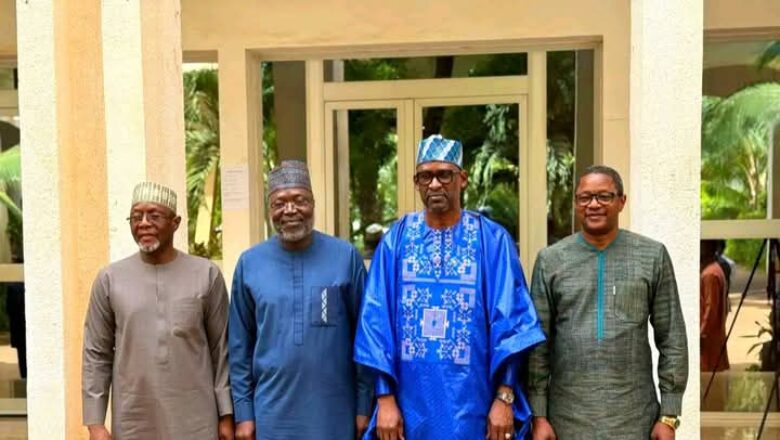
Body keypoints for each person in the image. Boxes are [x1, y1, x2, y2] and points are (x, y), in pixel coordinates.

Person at [354, 134, 545, 440]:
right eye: (425, 176)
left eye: (444, 174)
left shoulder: (492, 240)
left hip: (477, 407)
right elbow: (376, 324)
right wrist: (385, 398)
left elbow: (512, 325)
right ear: (416, 183)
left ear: (463, 179)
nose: (434, 184)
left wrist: (505, 396)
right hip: (408, 409)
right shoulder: (395, 241)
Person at [527, 165, 688, 440]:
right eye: (585, 197)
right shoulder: (551, 261)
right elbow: (537, 346)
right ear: (576, 203)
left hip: (636, 420)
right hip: (567, 420)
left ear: (621, 201)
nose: (593, 205)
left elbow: (672, 338)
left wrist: (669, 416)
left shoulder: (652, 256)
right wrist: (539, 415)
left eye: (604, 196)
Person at [229, 160, 372, 440]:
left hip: (334, 414)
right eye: (279, 203)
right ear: (270, 210)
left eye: (299, 200)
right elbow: (239, 347)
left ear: (313, 204)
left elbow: (365, 337)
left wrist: (364, 405)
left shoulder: (345, 258)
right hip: (271, 416)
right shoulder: (250, 263)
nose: (290, 210)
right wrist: (244, 413)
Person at [82, 182, 233, 440]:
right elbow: (96, 354)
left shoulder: (206, 275)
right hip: (134, 418)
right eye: (136, 216)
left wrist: (226, 416)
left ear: (175, 223)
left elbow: (222, 350)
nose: (143, 223)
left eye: (154, 215)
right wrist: (95, 424)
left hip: (196, 419)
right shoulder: (110, 279)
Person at [700, 239, 729, 372]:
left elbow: (710, 308)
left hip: (709, 344)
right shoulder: (715, 269)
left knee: (708, 381)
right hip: (714, 340)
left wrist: (702, 334)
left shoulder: (710, 274)